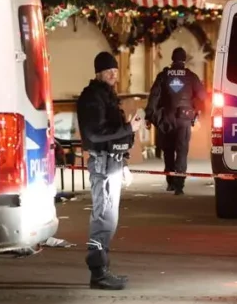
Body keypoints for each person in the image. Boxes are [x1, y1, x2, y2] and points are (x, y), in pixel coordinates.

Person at [76, 51, 143, 290]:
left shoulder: (106, 96)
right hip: (103, 163)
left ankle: (103, 267)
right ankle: (98, 271)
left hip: (111, 162)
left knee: (109, 218)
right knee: (104, 217)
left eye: (115, 71)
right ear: (99, 73)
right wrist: (128, 127)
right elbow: (95, 133)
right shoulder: (93, 98)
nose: (114, 75)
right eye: (109, 71)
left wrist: (123, 162)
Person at [148, 47, 208, 194]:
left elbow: (154, 96)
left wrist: (150, 116)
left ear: (172, 59)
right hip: (184, 119)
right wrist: (197, 112)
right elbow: (203, 96)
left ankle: (170, 182)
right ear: (184, 60)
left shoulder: (163, 75)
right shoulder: (191, 76)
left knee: (168, 151)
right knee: (181, 152)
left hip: (166, 119)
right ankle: (179, 186)